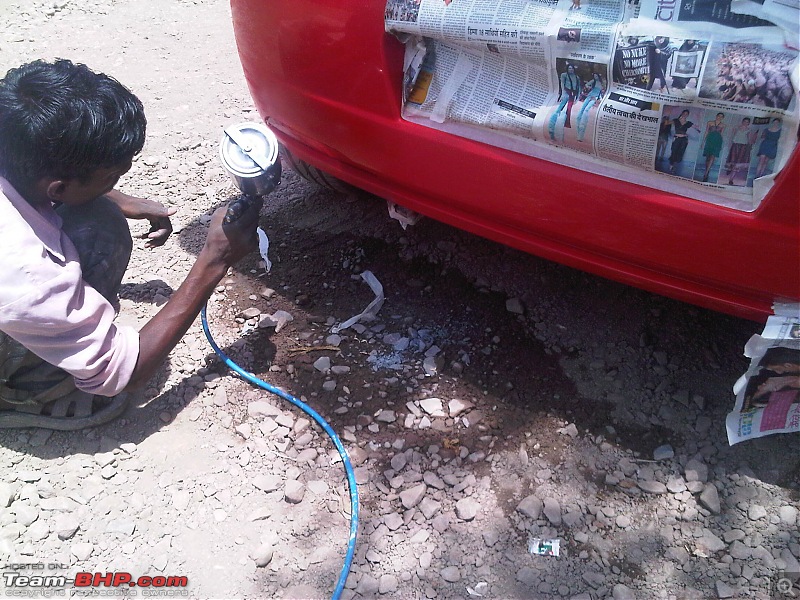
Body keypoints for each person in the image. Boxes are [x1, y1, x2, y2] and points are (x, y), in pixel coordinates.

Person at [0, 59, 263, 430]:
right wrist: (214, 260)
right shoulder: (27, 272)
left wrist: (115, 196)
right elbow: (122, 374)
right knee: (101, 228)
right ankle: (27, 390)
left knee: (100, 214)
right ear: (56, 188)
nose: (117, 182)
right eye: (111, 176)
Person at [548, 64, 581, 141]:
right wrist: (563, 94)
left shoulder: (577, 77)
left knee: (569, 110)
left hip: (573, 94)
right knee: (559, 109)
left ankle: (564, 125)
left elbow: (578, 87)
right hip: (566, 93)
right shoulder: (564, 75)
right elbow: (562, 84)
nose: (571, 70)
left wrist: (577, 97)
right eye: (569, 68)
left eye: (572, 68)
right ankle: (551, 128)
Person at [724, 117, 757, 185]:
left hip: (743, 146)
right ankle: (730, 168)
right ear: (742, 121)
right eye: (745, 121)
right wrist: (729, 144)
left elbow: (749, 140)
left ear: (748, 123)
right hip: (735, 145)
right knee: (732, 160)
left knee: (738, 163)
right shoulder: (736, 127)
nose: (746, 123)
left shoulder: (749, 130)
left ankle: (731, 179)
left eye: (747, 122)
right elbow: (732, 136)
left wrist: (750, 145)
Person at [667, 110, 700, 174]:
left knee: (680, 153)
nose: (685, 115)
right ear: (682, 113)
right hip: (676, 138)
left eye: (686, 114)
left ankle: (674, 167)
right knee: (673, 151)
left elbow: (696, 128)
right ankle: (671, 165)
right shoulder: (676, 120)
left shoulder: (688, 123)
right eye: (684, 113)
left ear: (688, 115)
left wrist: (698, 129)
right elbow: (667, 123)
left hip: (684, 140)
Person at [576, 73, 604, 142]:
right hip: (589, 96)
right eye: (594, 76)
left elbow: (600, 94)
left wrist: (597, 99)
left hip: (594, 97)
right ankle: (579, 131)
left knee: (586, 111)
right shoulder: (593, 81)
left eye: (596, 76)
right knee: (581, 111)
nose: (595, 77)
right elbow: (587, 85)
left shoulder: (601, 84)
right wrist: (589, 88)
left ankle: (581, 134)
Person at [700, 112, 725, 182]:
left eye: (721, 117)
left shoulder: (723, 125)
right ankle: (707, 170)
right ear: (716, 116)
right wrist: (702, 142)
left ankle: (706, 173)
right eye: (718, 116)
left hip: (717, 141)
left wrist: (722, 144)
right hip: (709, 140)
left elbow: (722, 135)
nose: (719, 117)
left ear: (723, 118)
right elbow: (706, 132)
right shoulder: (710, 122)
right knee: (708, 157)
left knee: (713, 157)